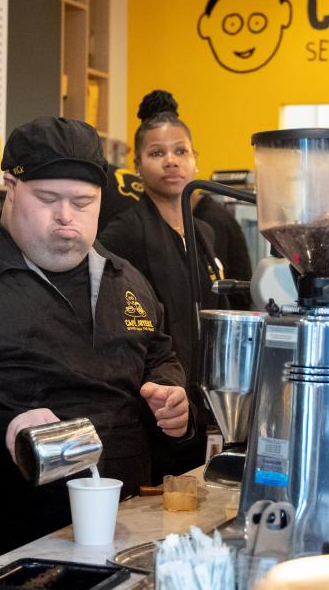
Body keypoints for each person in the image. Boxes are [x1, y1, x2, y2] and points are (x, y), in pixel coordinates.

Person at [0, 116, 190, 589]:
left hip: (115, 546)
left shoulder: (125, 281)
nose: (67, 216)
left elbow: (157, 354)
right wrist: (4, 429)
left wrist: (170, 394)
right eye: (48, 200)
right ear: (10, 186)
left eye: (83, 203)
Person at [99, 90, 228, 478]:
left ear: (195, 160)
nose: (171, 161)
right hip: (152, 405)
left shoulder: (204, 232)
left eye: (180, 151)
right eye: (157, 153)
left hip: (205, 405)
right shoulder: (124, 234)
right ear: (137, 165)